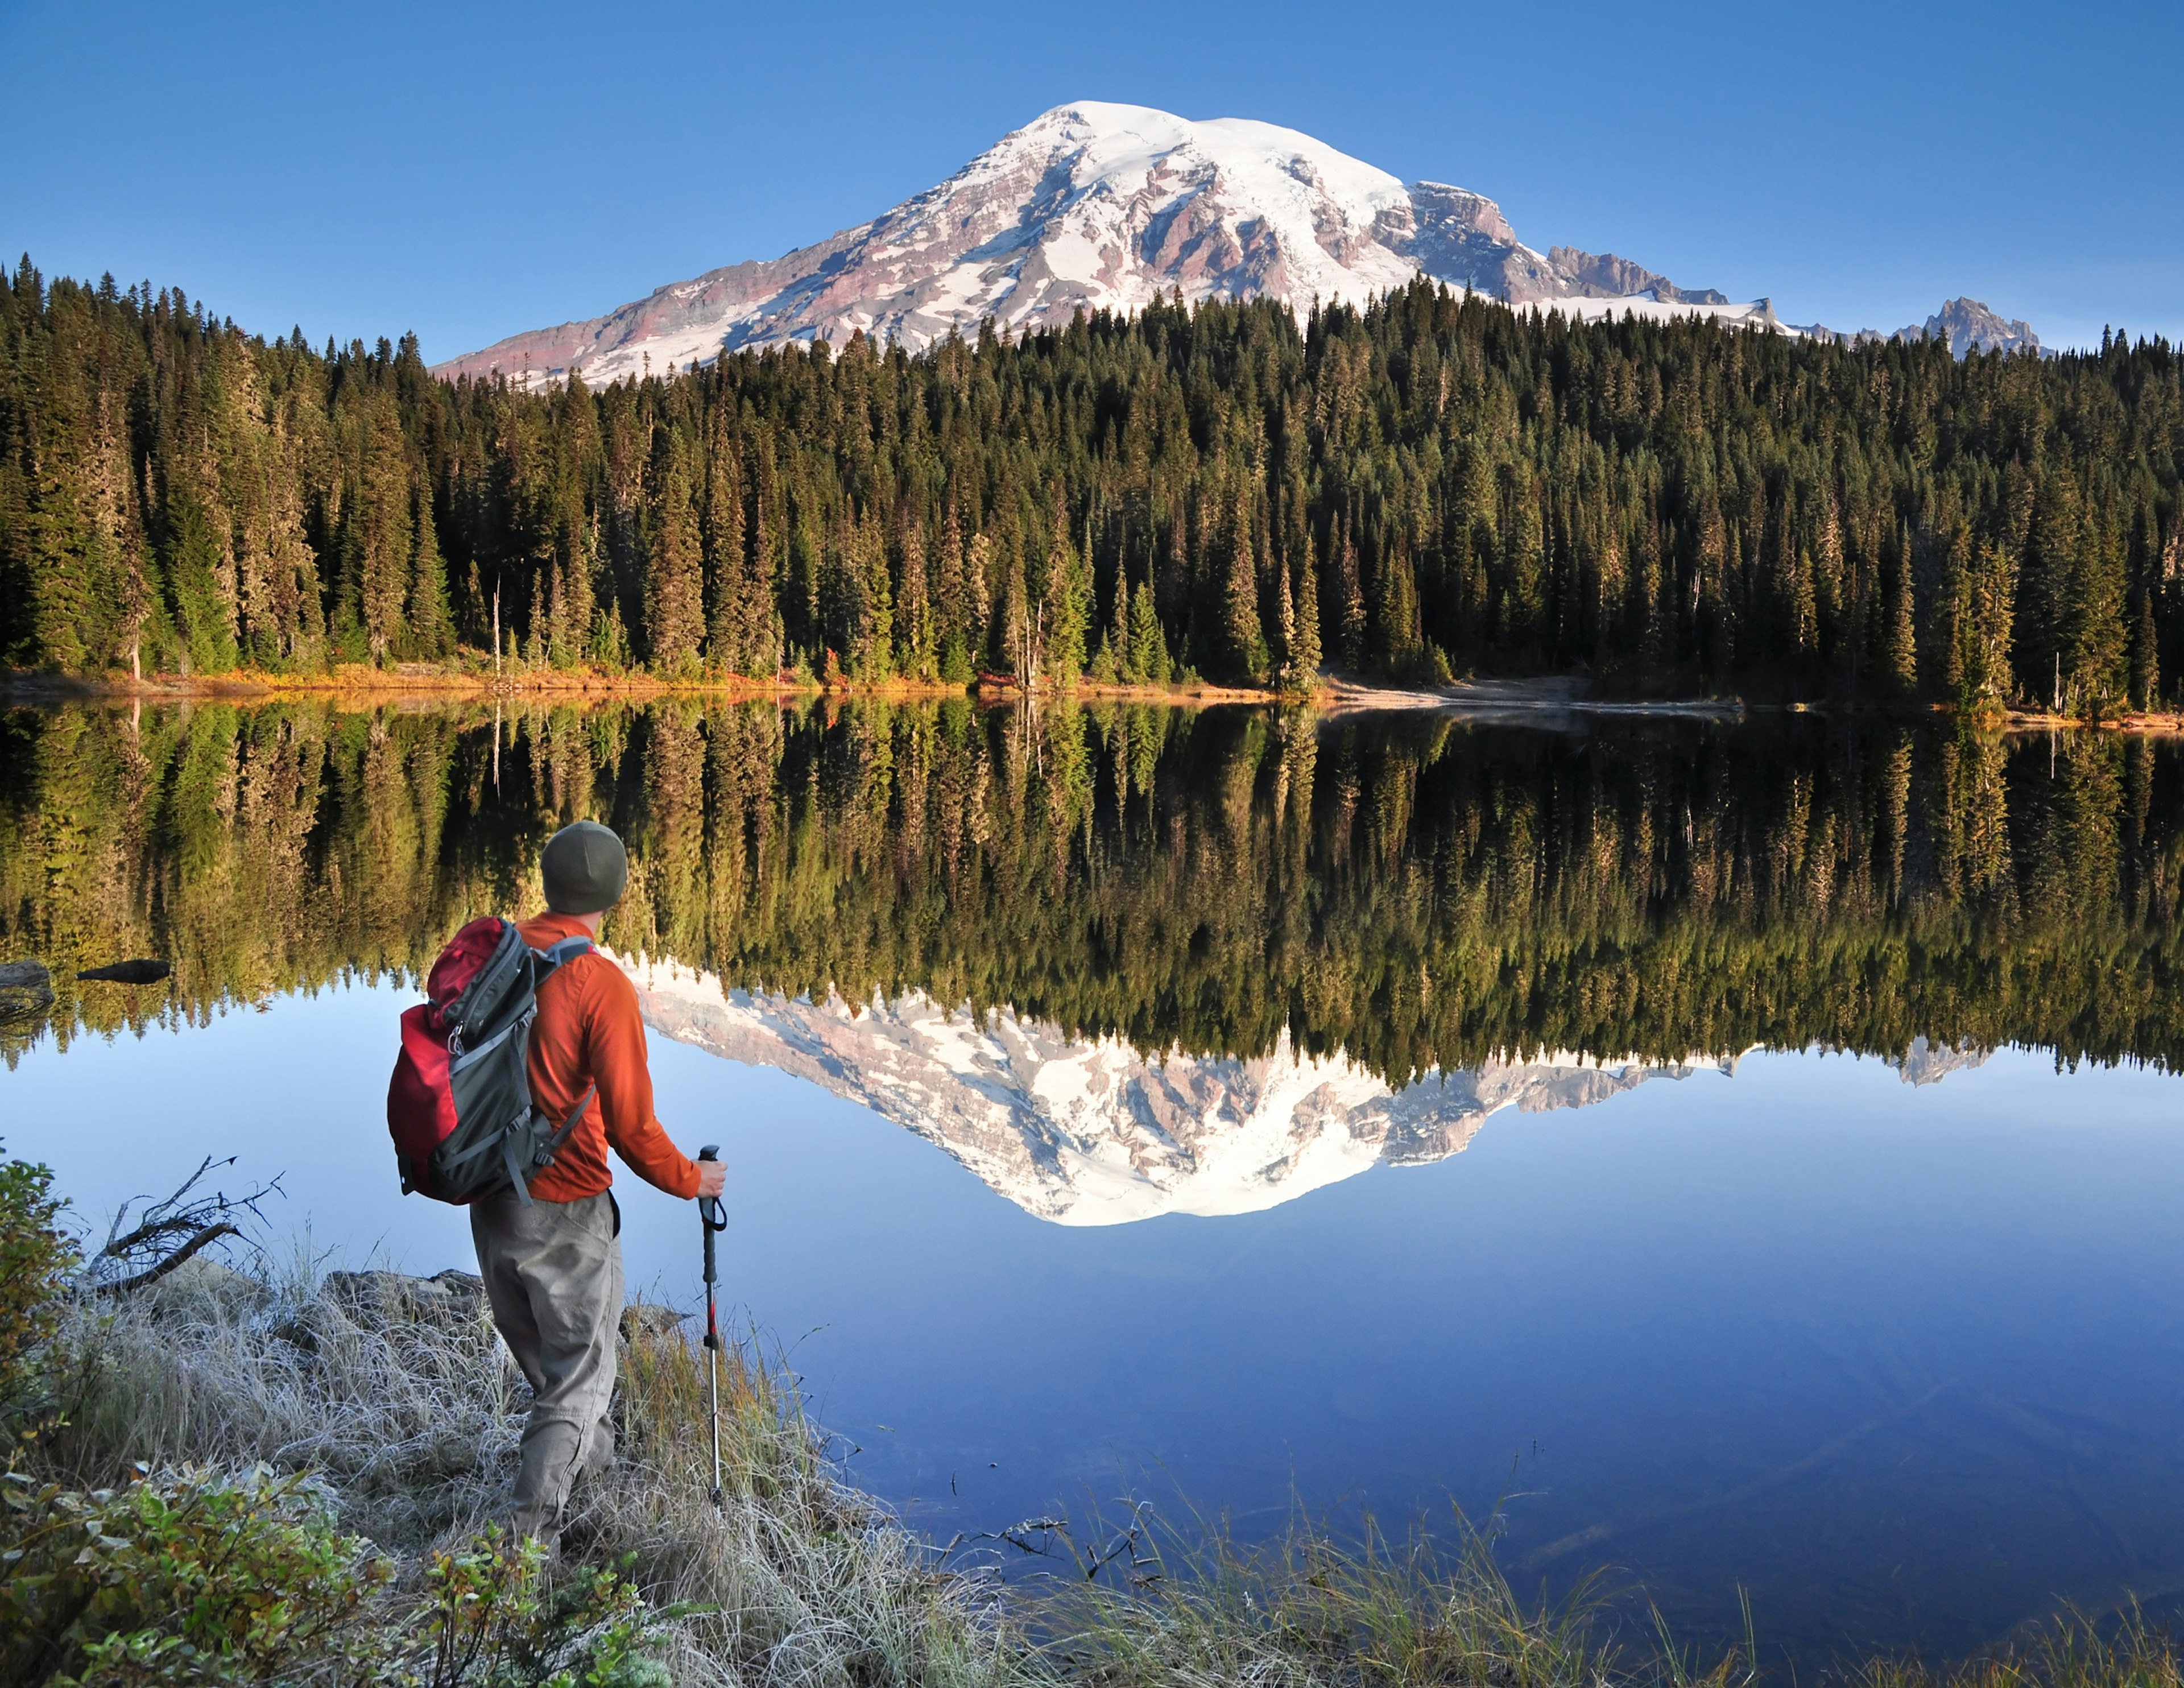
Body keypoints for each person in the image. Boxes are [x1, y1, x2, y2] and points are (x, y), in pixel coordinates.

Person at [468, 818, 729, 1548]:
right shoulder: (598, 983)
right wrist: (693, 1181)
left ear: (550, 882)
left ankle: (597, 1497)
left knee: (568, 1377)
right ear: (614, 892)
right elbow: (633, 1126)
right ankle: (521, 1558)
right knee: (577, 1383)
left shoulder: (497, 952)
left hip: (490, 1201)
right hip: (566, 1212)